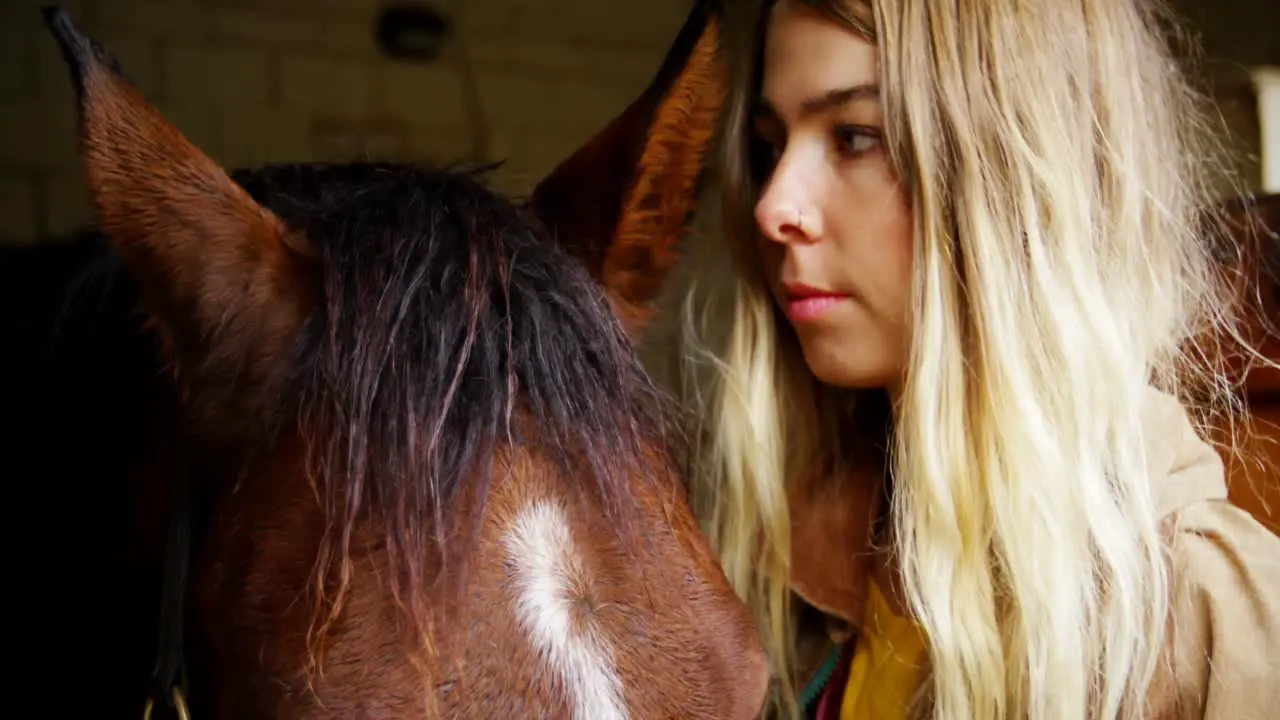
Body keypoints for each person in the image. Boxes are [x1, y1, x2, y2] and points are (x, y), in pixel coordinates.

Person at [659, 0, 1280, 718]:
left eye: (855, 136)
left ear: (1017, 170)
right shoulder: (781, 571)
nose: (774, 205)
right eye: (770, 146)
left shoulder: (1218, 636)